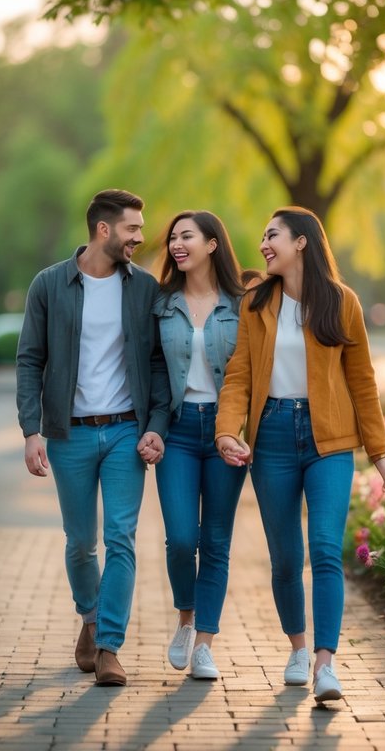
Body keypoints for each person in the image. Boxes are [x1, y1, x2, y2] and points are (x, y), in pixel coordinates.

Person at [214, 207, 385, 702]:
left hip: (330, 443)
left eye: (272, 235)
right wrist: (228, 430)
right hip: (271, 437)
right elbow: (239, 376)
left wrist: (378, 450)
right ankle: (297, 648)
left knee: (323, 549)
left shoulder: (341, 303)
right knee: (285, 558)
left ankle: (325, 665)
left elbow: (362, 380)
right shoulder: (255, 303)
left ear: (302, 242)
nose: (263, 244)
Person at [16, 188, 171, 687]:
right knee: (81, 542)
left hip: (126, 431)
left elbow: (158, 363)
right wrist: (30, 430)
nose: (140, 238)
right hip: (70, 435)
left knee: (120, 539)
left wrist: (155, 425)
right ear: (103, 230)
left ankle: (109, 646)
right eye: (131, 229)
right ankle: (88, 617)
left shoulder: (144, 288)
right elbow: (29, 359)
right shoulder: (49, 285)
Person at [152, 210, 251, 681]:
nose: (176, 243)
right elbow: (150, 369)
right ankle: (186, 619)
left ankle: (206, 643)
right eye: (173, 237)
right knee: (181, 539)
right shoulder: (161, 303)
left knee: (215, 541)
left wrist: (243, 430)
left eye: (186, 236)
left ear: (212, 244)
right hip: (177, 431)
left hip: (224, 433)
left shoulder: (241, 304)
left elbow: (253, 374)